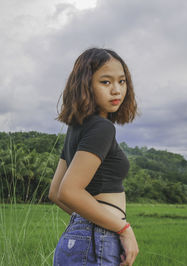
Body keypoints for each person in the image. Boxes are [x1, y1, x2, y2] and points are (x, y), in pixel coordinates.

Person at [49, 47, 139, 266]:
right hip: (97, 239)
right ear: (85, 85)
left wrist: (88, 219)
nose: (117, 90)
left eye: (122, 81)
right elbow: (67, 191)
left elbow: (55, 191)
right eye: (106, 82)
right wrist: (122, 228)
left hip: (79, 236)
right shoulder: (102, 128)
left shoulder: (76, 128)